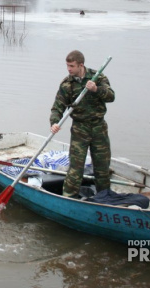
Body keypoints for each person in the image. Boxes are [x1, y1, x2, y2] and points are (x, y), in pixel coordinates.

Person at [50, 50, 115, 199]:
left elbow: (111, 96)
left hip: (99, 127)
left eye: (72, 66)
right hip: (80, 128)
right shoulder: (67, 84)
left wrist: (96, 89)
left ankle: (104, 197)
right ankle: (69, 197)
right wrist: (54, 123)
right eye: (67, 66)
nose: (69, 69)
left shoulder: (97, 77)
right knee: (76, 168)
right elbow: (57, 107)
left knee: (102, 166)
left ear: (81, 65)